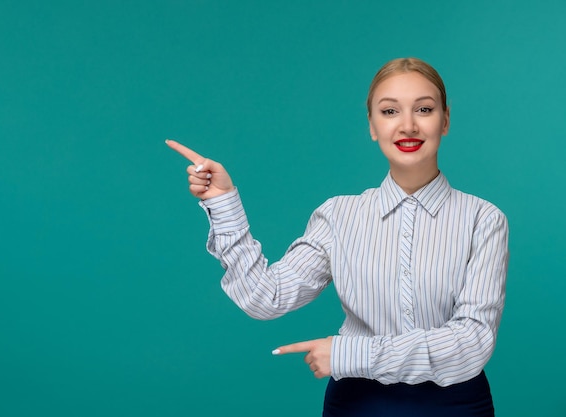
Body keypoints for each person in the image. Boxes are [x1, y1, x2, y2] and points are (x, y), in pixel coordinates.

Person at [166, 57, 509, 417]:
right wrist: (223, 203)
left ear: (445, 120)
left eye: (424, 109)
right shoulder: (338, 216)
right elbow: (265, 296)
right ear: (372, 126)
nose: (408, 126)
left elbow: (473, 341)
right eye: (390, 111)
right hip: (357, 404)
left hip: (456, 405)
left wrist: (351, 354)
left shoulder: (483, 220)